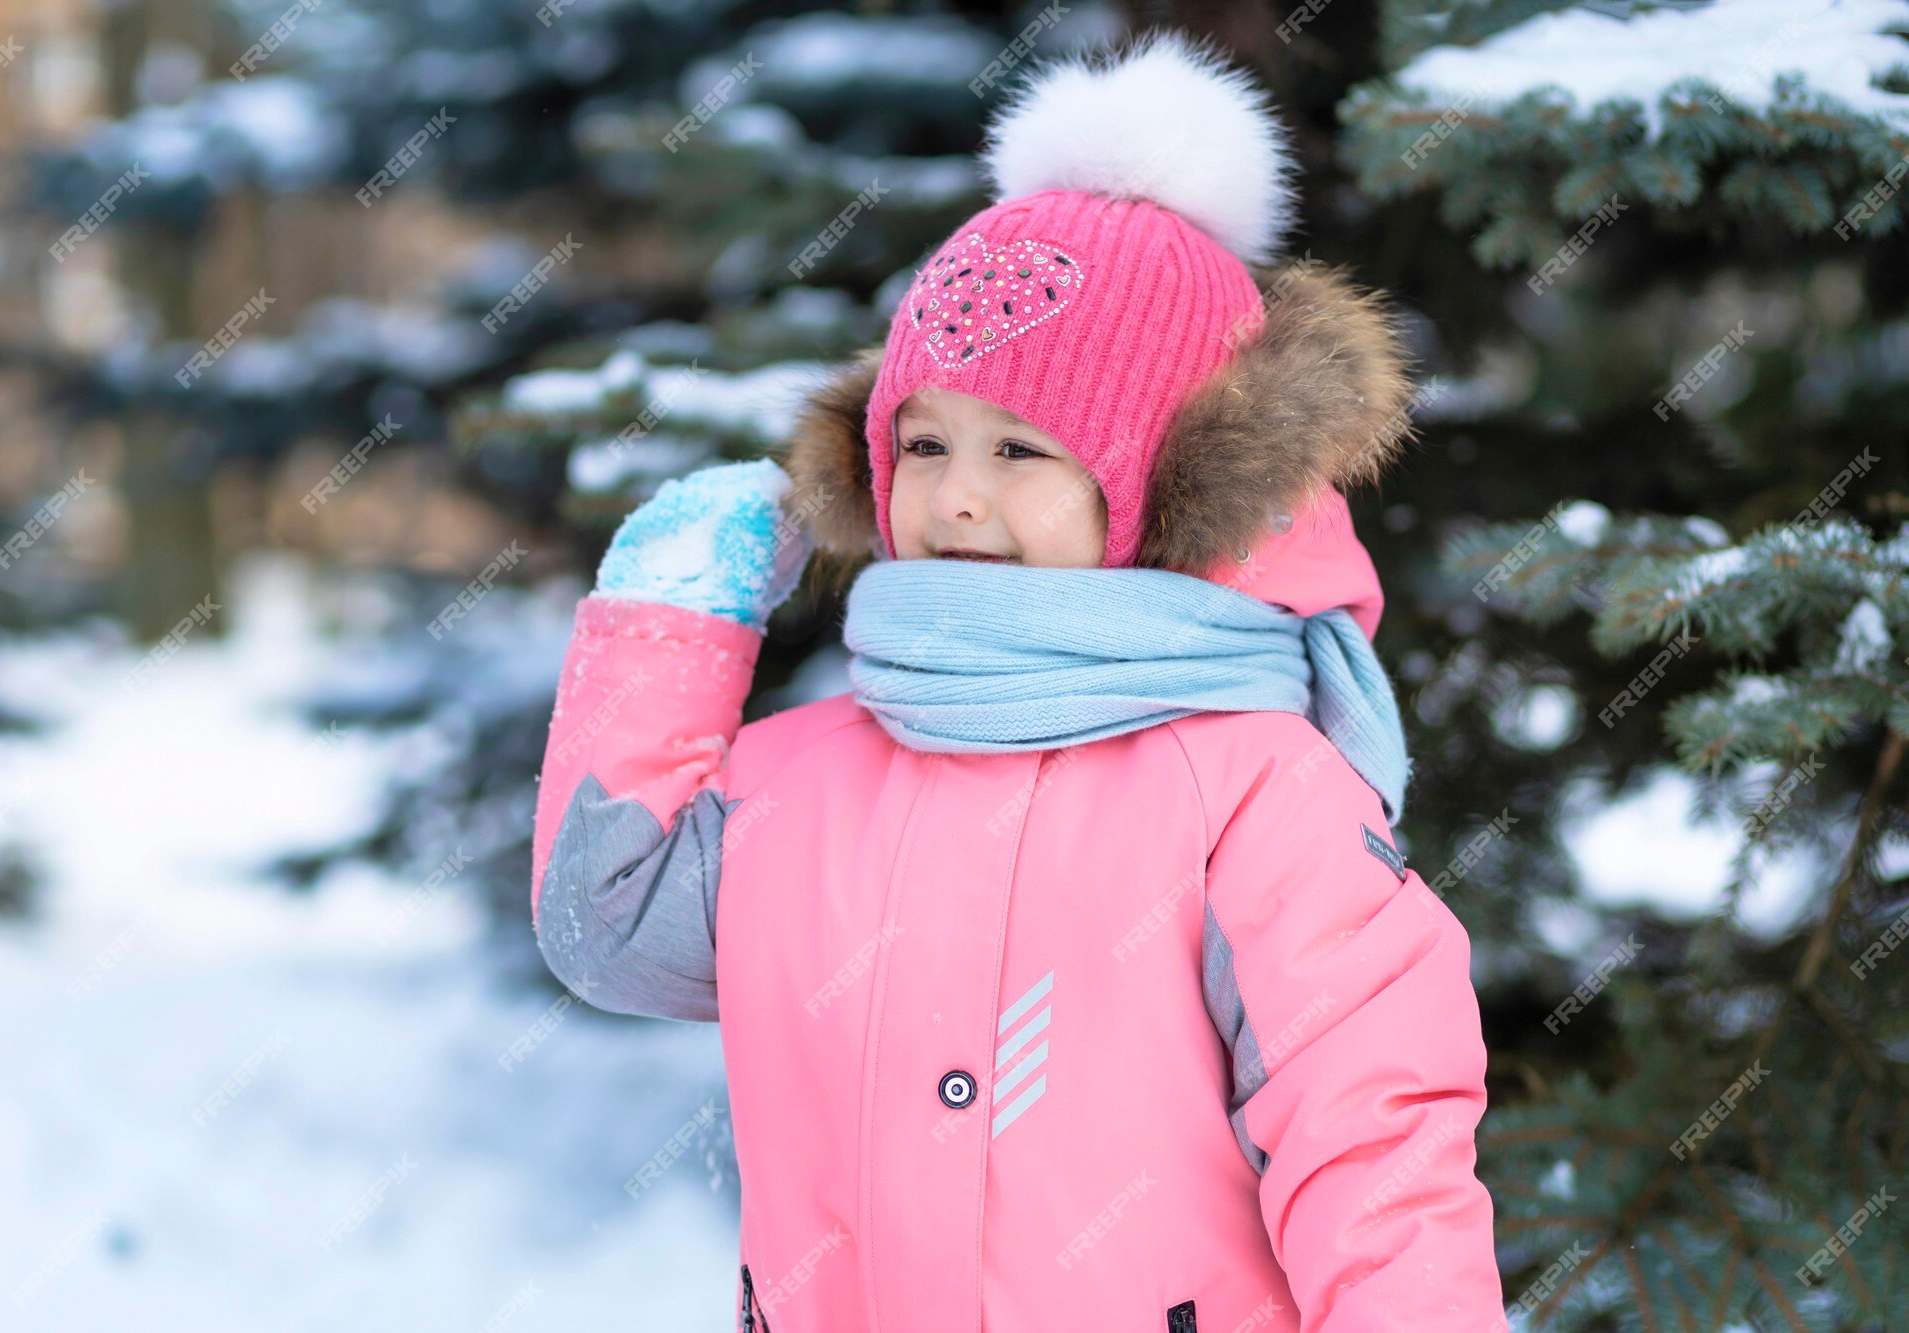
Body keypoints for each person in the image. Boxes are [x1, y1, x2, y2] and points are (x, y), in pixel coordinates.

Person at [530, 27, 1505, 1333]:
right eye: (923, 441)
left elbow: (1373, 1150)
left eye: (1022, 449)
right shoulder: (814, 772)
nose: (959, 495)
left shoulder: (1252, 789)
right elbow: (608, 923)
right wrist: (667, 619)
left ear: (1160, 477)